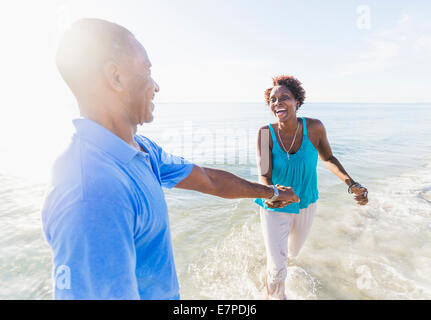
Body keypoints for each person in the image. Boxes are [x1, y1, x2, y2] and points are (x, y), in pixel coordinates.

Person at [41, 18, 299, 300]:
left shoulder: (141, 149)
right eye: (146, 70)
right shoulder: (92, 191)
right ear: (116, 77)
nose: (156, 85)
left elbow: (209, 180)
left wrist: (271, 192)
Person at [255, 75, 369, 300]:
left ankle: (270, 271)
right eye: (273, 99)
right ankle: (274, 291)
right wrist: (271, 195)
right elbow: (264, 174)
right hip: (275, 204)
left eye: (284, 97)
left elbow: (328, 158)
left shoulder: (314, 128)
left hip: (307, 202)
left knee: (292, 253)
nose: (277, 102)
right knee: (278, 268)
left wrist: (352, 184)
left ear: (297, 101)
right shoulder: (265, 133)